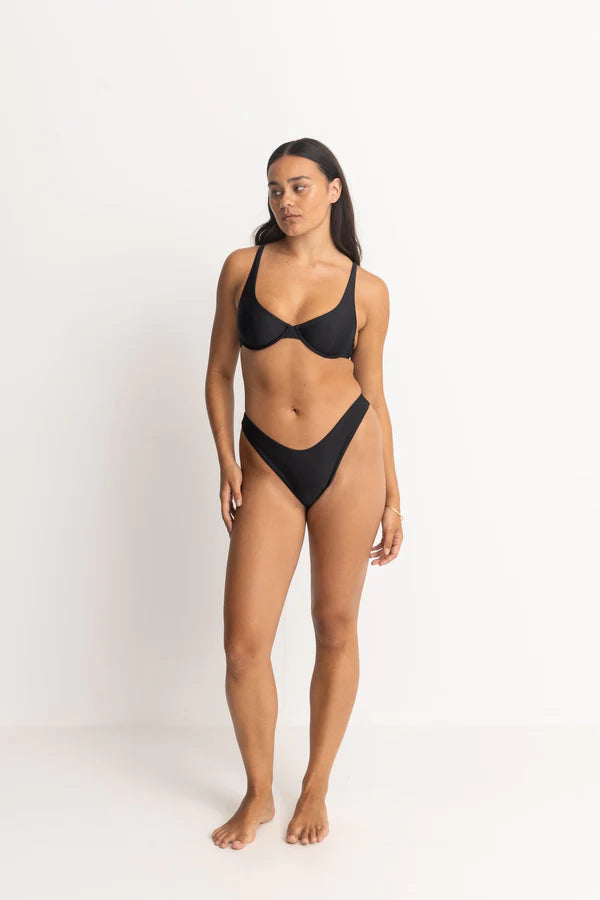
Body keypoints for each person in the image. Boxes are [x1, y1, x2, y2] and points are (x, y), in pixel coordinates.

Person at [205, 137, 403, 850]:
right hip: (265, 463)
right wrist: (225, 459)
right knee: (242, 646)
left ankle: (315, 784)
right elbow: (219, 372)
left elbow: (373, 393)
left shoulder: (367, 289)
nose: (285, 201)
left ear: (333, 190)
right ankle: (258, 792)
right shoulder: (243, 267)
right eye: (274, 189)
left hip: (349, 459)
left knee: (335, 626)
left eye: (299, 186)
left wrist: (394, 497)